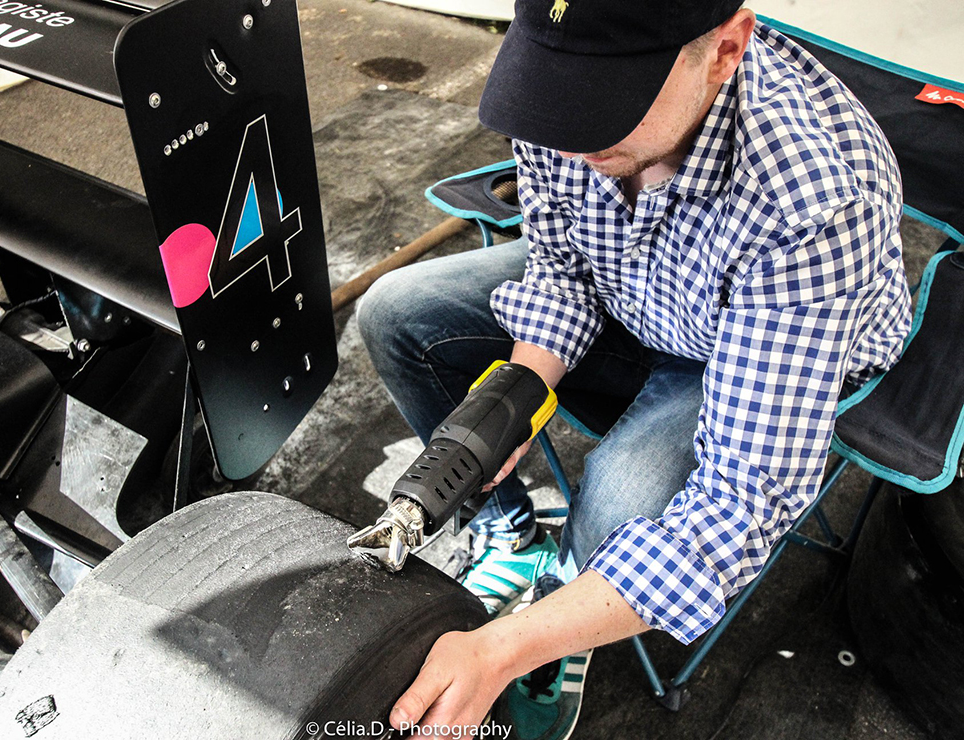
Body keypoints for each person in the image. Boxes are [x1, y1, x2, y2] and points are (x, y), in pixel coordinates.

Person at [356, 0, 912, 738]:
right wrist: (516, 398)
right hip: (636, 293)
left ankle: (561, 604)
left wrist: (503, 649)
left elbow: (736, 507)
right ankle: (509, 536)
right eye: (554, 90)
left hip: (751, 349)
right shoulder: (560, 109)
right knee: (399, 313)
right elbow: (562, 273)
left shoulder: (813, 202)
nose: (569, 133)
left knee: (619, 511)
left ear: (725, 50)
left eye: (606, 102)